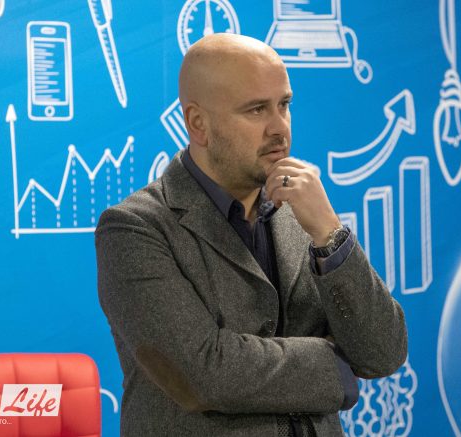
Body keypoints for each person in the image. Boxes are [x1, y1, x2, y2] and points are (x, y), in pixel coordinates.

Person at [95, 33, 407, 437]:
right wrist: (337, 364)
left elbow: (383, 352)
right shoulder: (134, 228)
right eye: (257, 110)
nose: (279, 128)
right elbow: (204, 373)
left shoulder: (303, 211)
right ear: (198, 124)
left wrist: (330, 233)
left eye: (284, 105)